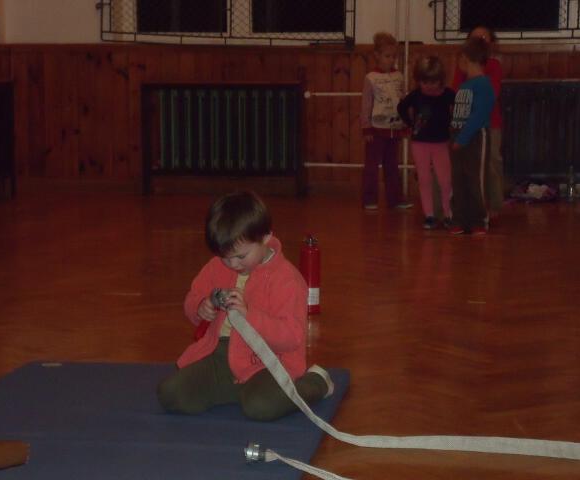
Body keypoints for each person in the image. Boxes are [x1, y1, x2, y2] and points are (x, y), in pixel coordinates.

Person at [157, 191, 333, 421]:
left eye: (241, 256)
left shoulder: (287, 279)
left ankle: (315, 382)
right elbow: (193, 298)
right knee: (170, 393)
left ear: (266, 237)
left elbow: (291, 337)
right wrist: (201, 307)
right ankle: (236, 390)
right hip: (221, 357)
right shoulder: (216, 266)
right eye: (225, 257)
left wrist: (249, 315)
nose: (233, 264)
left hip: (267, 362)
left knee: (261, 407)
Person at [453, 26, 503, 227]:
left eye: (483, 37)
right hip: (462, 131)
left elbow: (483, 107)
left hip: (482, 129)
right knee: (463, 174)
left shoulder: (487, 75)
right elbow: (456, 95)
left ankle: (487, 212)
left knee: (486, 168)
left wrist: (464, 136)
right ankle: (464, 215)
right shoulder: (464, 77)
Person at [397, 55, 455, 230]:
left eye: (433, 82)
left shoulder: (448, 94)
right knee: (424, 179)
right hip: (420, 143)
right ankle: (429, 214)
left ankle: (448, 214)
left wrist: (453, 125)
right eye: (424, 82)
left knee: (445, 179)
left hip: (441, 143)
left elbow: (460, 108)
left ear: (440, 80)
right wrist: (410, 124)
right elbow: (401, 107)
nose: (429, 86)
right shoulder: (416, 95)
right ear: (418, 81)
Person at [360, 31, 412, 210]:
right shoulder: (371, 78)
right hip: (376, 130)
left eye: (393, 56)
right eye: (387, 56)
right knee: (371, 166)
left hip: (395, 128)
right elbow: (366, 105)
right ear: (377, 55)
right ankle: (369, 199)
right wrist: (366, 128)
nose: (391, 60)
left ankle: (394, 199)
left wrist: (406, 123)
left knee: (392, 165)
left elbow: (403, 102)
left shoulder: (399, 77)